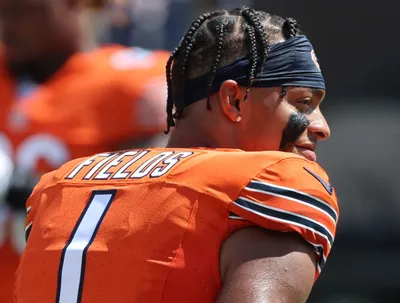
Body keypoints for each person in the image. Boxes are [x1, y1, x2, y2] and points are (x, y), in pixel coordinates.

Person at [15, 7, 339, 303]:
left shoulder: (55, 187)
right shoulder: (270, 184)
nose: (321, 127)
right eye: (303, 102)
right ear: (234, 101)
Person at [0, 0, 169, 301]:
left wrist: (30, 189)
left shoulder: (131, 81)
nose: (7, 24)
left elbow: (157, 200)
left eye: (22, 9)